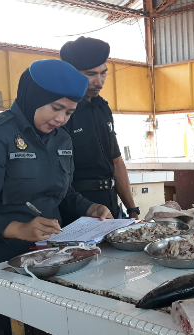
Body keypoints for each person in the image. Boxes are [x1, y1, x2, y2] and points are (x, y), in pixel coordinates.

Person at [0, 59, 113, 335]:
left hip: (41, 261)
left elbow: (61, 192)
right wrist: (17, 229)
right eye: (55, 108)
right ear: (34, 97)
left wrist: (89, 206)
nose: (61, 119)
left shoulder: (61, 139)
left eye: (69, 113)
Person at [59, 36, 139, 223]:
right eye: (91, 74)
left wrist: (131, 208)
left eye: (103, 73)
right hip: (77, 209)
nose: (99, 82)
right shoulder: (62, 112)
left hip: (110, 204)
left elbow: (116, 161)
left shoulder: (102, 108)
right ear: (72, 73)